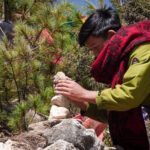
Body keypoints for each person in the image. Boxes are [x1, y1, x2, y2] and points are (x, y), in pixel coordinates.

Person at [54, 6, 150, 149]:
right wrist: (80, 100)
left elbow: (130, 96)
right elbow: (115, 111)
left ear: (111, 36)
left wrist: (84, 93)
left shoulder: (143, 50)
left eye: (95, 47)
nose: (94, 55)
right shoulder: (122, 61)